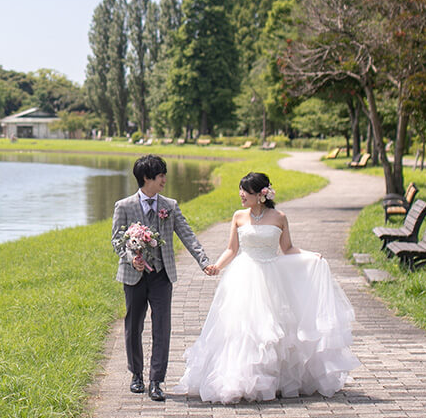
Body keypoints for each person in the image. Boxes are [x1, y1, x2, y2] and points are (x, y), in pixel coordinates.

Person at [172, 171, 359, 403]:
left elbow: (288, 248)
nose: (241, 195)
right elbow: (232, 249)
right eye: (240, 190)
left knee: (273, 328)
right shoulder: (239, 216)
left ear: (260, 195)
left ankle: (275, 379)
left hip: (272, 276)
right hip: (244, 275)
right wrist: (216, 267)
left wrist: (312, 256)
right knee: (242, 327)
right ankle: (239, 379)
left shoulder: (279, 217)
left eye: (245, 191)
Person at [111, 154, 211, 402]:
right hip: (133, 275)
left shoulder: (170, 205)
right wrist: (130, 256)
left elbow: (187, 234)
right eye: (161, 175)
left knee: (162, 327)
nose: (164, 179)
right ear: (147, 178)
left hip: (161, 275)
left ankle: (157, 380)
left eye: (164, 174)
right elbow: (116, 240)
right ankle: (136, 375)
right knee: (133, 326)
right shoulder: (124, 206)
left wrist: (204, 261)